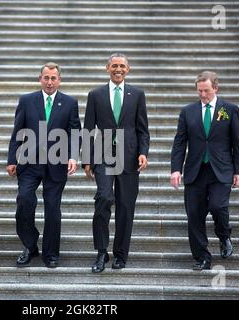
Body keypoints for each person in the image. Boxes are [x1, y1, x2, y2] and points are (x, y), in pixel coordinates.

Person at [7, 62, 81, 268]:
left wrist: (73, 156)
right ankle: (30, 245)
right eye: (46, 78)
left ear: (59, 80)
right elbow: (17, 132)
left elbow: (75, 133)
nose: (49, 82)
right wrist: (12, 159)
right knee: (23, 200)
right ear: (40, 79)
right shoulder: (27, 100)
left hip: (57, 164)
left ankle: (51, 254)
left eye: (53, 78)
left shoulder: (69, 103)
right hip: (30, 163)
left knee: (52, 209)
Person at [170, 71, 239, 270]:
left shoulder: (229, 109)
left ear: (216, 89)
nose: (202, 95)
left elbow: (238, 144)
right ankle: (202, 256)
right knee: (194, 214)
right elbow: (179, 143)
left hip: (221, 170)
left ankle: (223, 235)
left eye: (206, 91)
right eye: (199, 91)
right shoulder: (187, 111)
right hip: (195, 171)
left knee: (218, 207)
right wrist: (176, 169)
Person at [82, 53, 150, 273]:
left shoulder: (137, 94)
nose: (118, 69)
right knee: (103, 197)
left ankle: (120, 254)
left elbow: (142, 129)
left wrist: (143, 152)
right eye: (114, 66)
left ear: (128, 69)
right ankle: (102, 252)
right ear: (107, 68)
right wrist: (87, 160)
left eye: (122, 66)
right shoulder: (96, 95)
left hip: (129, 157)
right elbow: (88, 129)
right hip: (103, 156)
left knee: (125, 206)